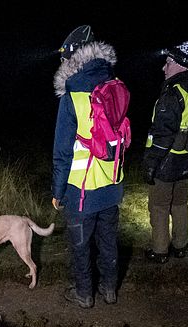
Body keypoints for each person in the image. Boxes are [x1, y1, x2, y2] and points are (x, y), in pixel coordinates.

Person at [51, 25, 124, 308]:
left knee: (80, 246)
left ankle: (84, 294)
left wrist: (57, 191)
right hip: (112, 183)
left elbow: (62, 151)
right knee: (108, 241)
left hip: (81, 190)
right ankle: (109, 290)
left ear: (74, 58)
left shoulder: (73, 96)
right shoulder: (115, 86)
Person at [142, 41, 188, 263]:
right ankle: (180, 246)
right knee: (180, 204)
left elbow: (163, 135)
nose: (164, 68)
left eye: (168, 62)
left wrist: (150, 164)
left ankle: (160, 251)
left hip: (168, 159)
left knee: (159, 206)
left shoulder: (173, 93)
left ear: (181, 65)